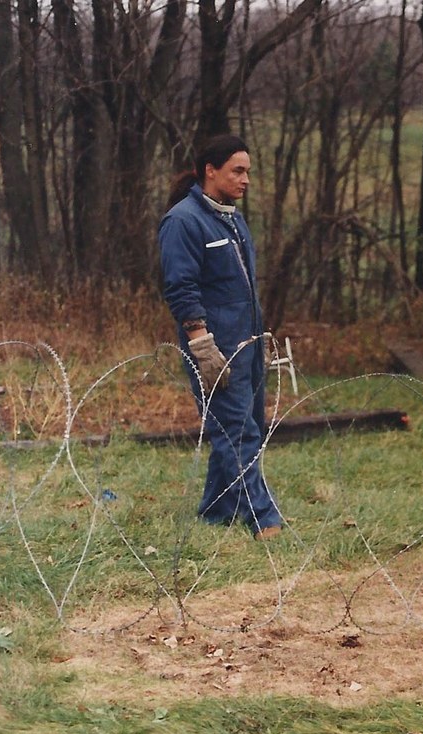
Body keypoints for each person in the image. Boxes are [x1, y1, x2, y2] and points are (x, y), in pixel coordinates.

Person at [159, 134, 283, 541]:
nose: (246, 179)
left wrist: (259, 339)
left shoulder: (231, 218)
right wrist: (201, 344)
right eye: (237, 170)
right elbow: (180, 286)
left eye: (247, 171)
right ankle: (264, 520)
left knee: (246, 428)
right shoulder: (183, 220)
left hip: (246, 344)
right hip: (215, 349)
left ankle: (215, 512)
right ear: (210, 171)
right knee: (237, 432)